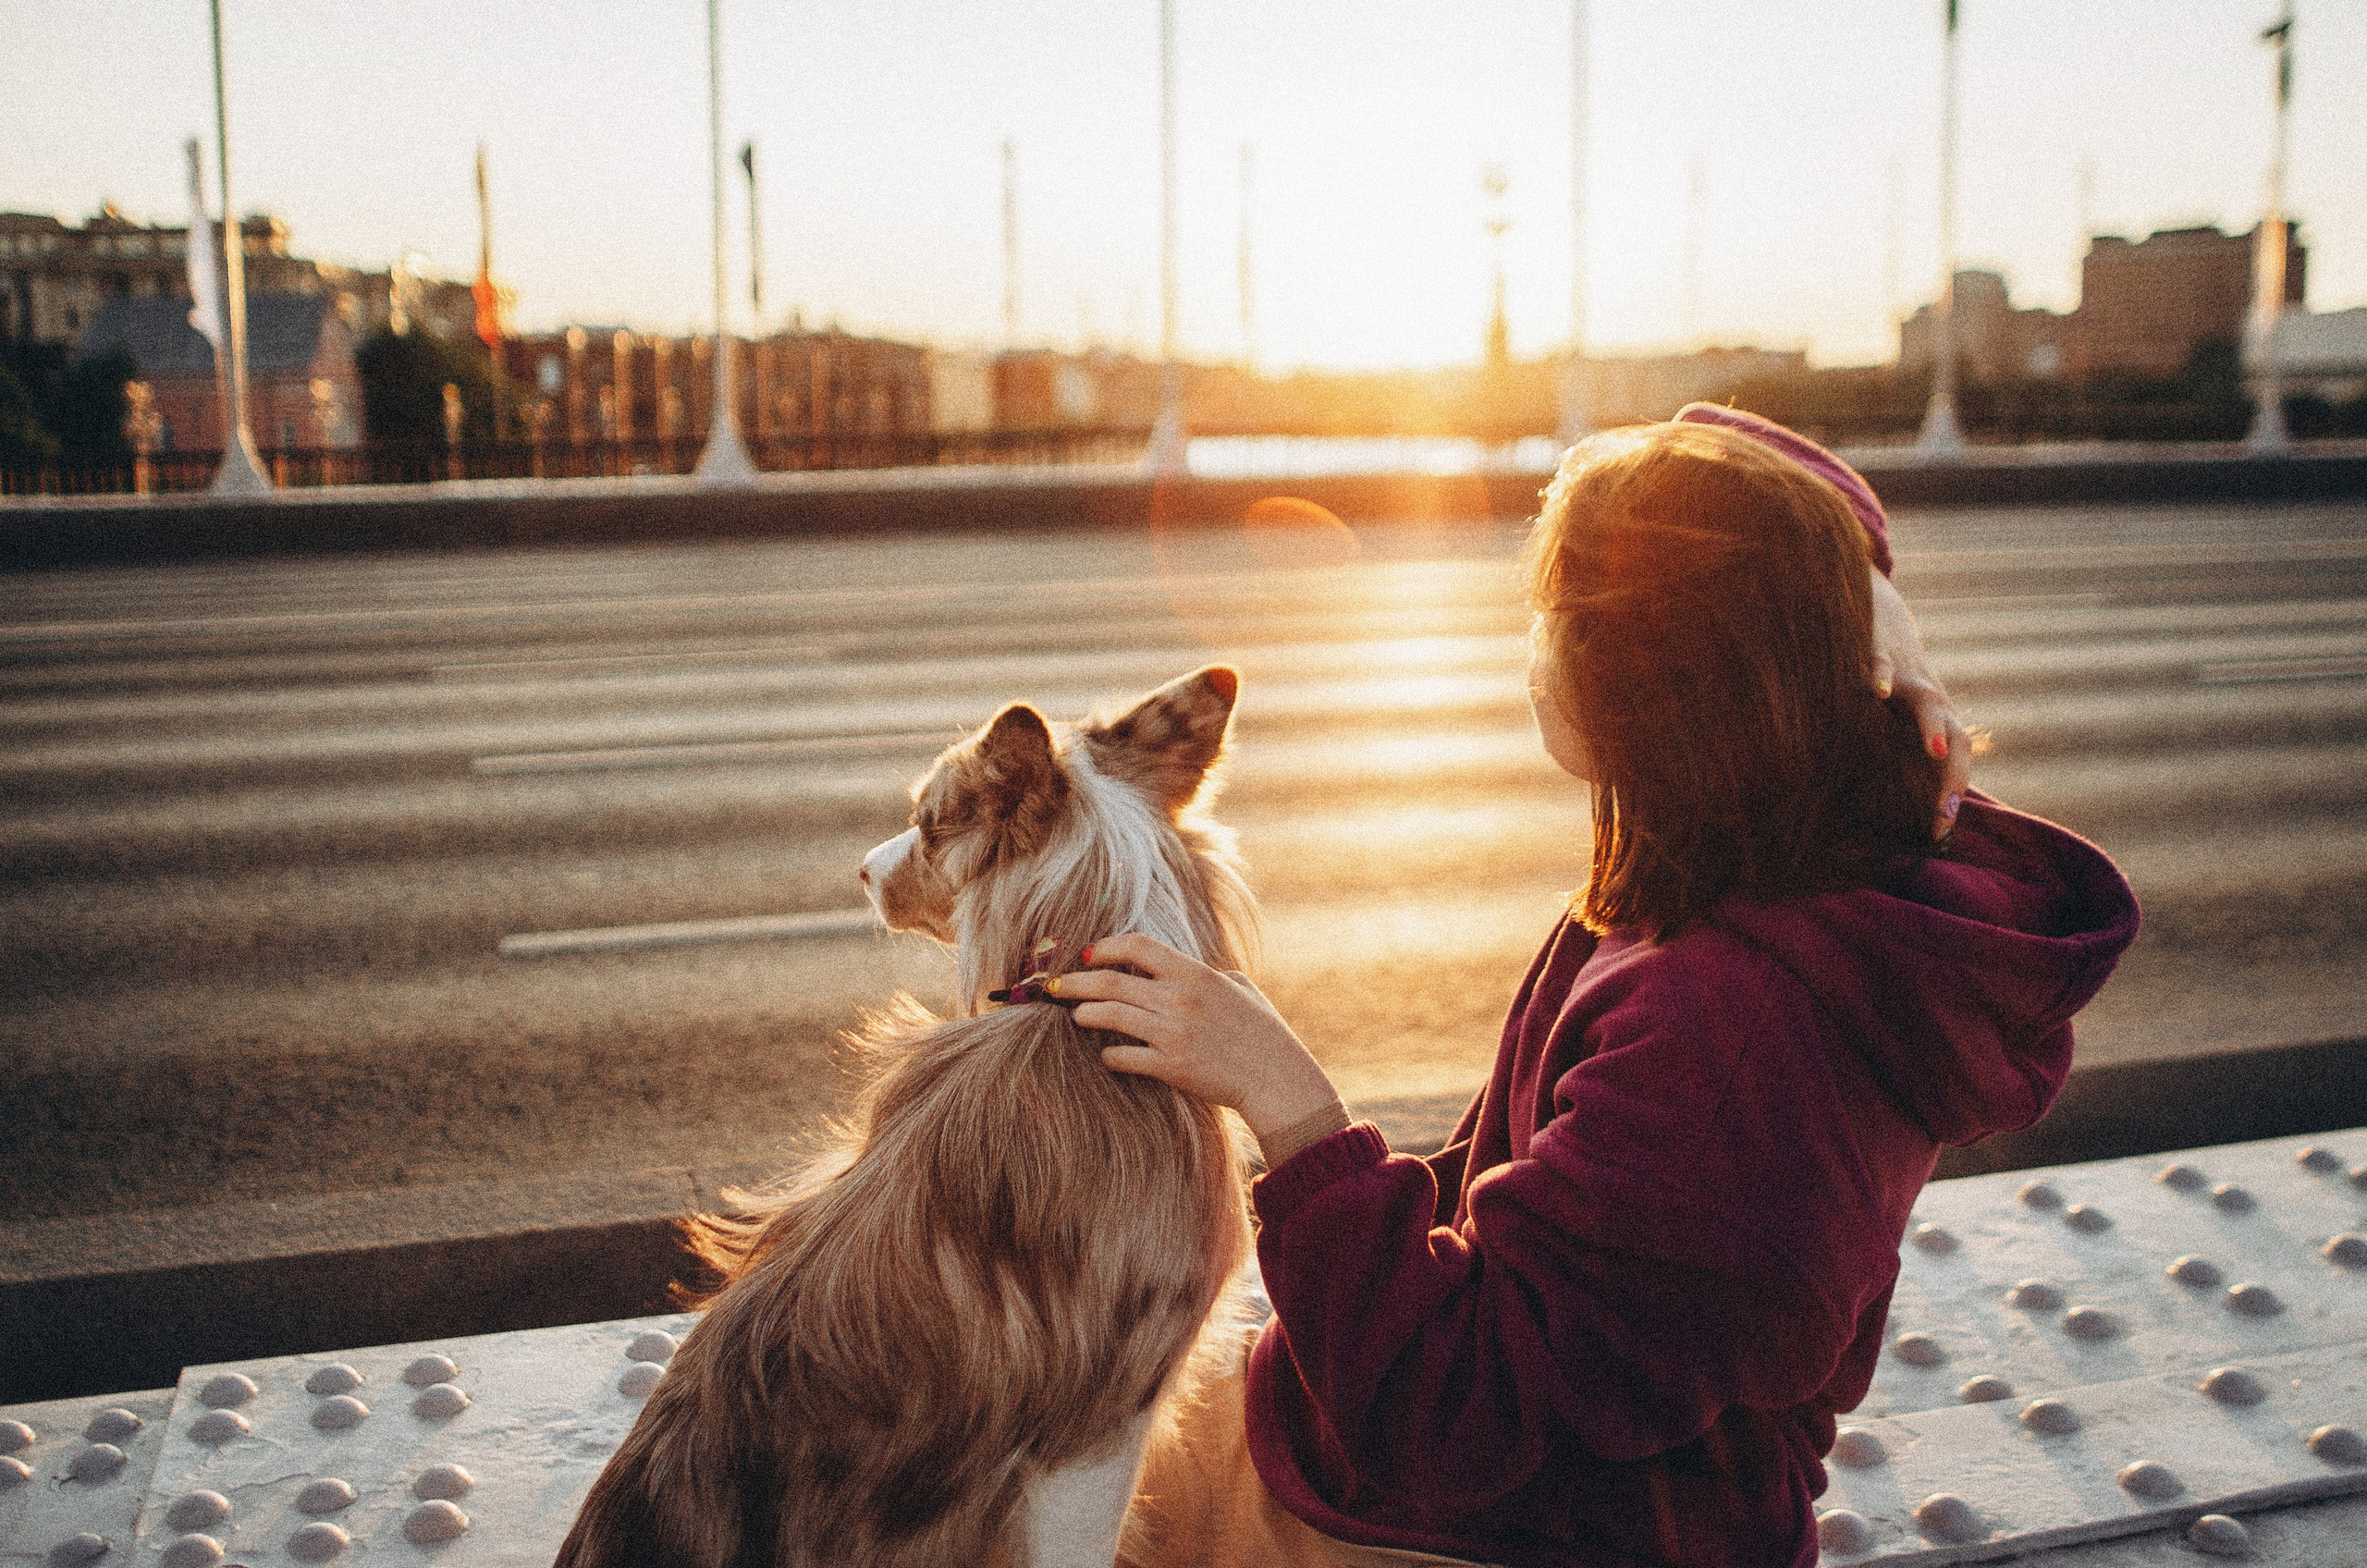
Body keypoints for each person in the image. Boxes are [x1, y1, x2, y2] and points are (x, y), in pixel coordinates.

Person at [1050, 405, 2141, 1568]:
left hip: (1478, 1527)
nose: (1532, 647)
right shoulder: (1786, 862)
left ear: (1650, 672)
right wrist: (1877, 629)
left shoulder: (1722, 1037)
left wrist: (1284, 1099)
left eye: (1553, 614)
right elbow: (1754, 496)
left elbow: (1453, 1416)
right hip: (1458, 1464)